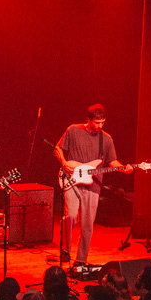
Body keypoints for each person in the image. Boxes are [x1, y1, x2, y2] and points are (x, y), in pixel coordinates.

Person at [54, 104, 132, 266]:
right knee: (71, 216)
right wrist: (64, 162)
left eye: (103, 122)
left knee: (88, 224)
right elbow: (57, 148)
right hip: (72, 179)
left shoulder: (106, 138)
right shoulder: (74, 130)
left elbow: (111, 161)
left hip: (93, 184)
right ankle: (65, 249)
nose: (100, 126)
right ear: (88, 120)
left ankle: (81, 260)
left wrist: (124, 169)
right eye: (97, 123)